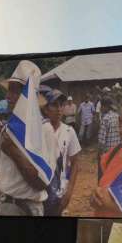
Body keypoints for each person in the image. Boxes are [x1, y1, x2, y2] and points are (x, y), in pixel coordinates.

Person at [0, 62, 57, 216]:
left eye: (15, 91)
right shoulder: (8, 129)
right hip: (2, 203)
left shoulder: (44, 130)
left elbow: (42, 182)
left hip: (26, 208)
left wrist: (13, 151)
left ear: (29, 97)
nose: (8, 97)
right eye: (9, 90)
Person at [91, 93, 122, 217]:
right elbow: (99, 191)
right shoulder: (112, 154)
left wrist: (111, 204)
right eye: (120, 122)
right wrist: (95, 196)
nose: (121, 130)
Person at [42, 89, 81, 217]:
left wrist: (69, 193)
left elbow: (75, 163)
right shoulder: (39, 131)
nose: (59, 109)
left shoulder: (69, 131)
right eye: (54, 105)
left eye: (61, 105)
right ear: (46, 109)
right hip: (39, 191)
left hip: (59, 192)